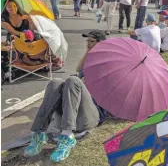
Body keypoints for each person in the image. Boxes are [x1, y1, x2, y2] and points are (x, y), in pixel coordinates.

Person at [23, 30, 107, 163]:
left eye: (92, 42)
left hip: (90, 115)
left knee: (74, 81)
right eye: (87, 41)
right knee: (56, 82)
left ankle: (67, 136)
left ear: (101, 43)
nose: (88, 44)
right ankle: (38, 133)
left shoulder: (109, 65)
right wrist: (89, 51)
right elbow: (79, 68)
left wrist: (92, 82)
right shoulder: (91, 58)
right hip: (72, 112)